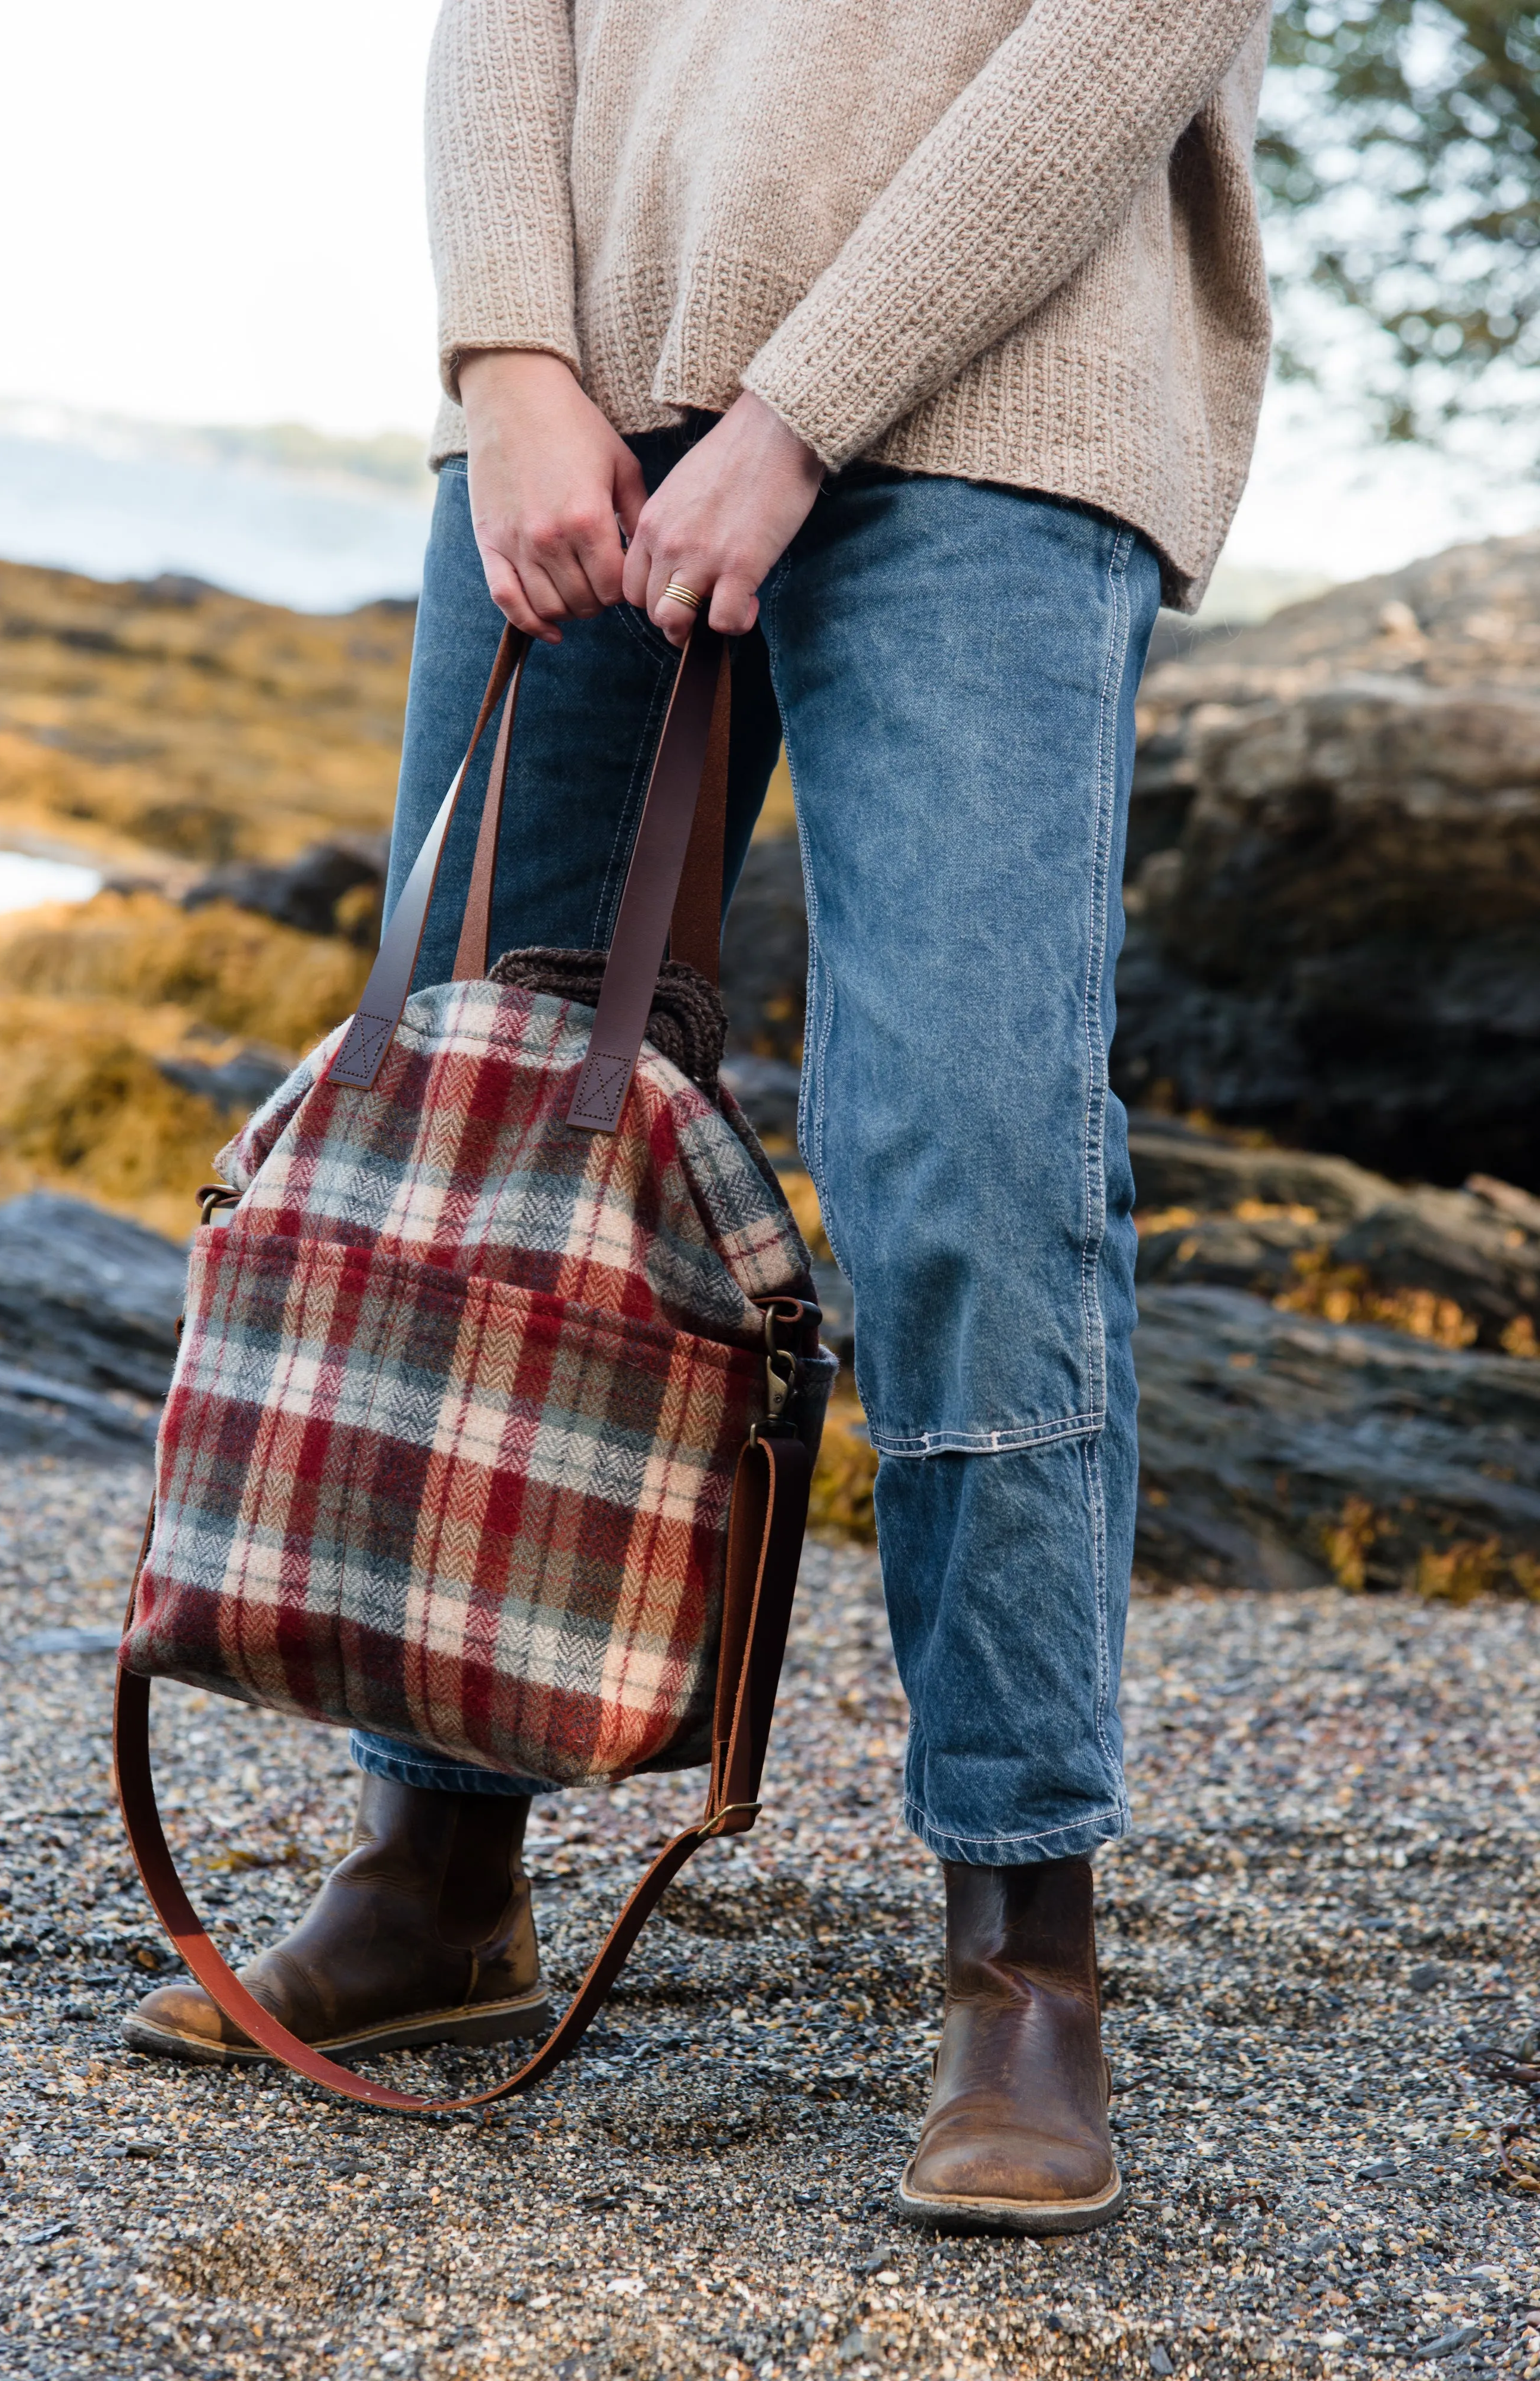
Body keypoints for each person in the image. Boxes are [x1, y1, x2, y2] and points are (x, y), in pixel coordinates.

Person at [127, 0, 1273, 2234]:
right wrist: (508, 364)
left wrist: (795, 413)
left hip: (992, 428)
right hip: (570, 427)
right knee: (477, 1138)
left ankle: (1019, 1949)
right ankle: (440, 1861)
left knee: (964, 1162)